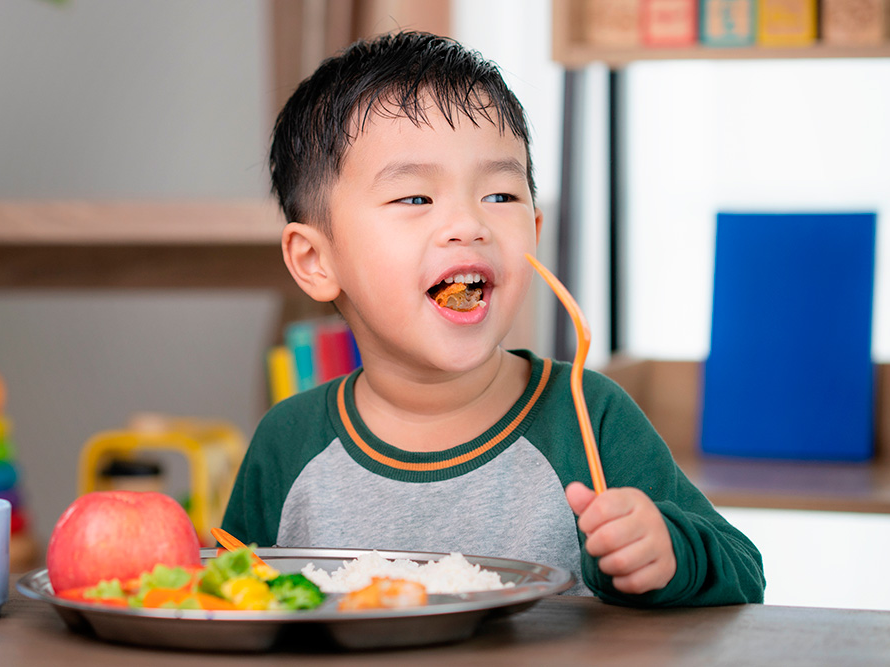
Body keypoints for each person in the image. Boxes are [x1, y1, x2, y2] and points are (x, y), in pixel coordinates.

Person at [222, 31, 765, 606]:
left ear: (533, 232)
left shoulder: (589, 415)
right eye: (415, 199)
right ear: (316, 261)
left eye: (501, 196)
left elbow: (743, 574)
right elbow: (226, 597)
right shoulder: (287, 444)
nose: (469, 225)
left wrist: (665, 554)